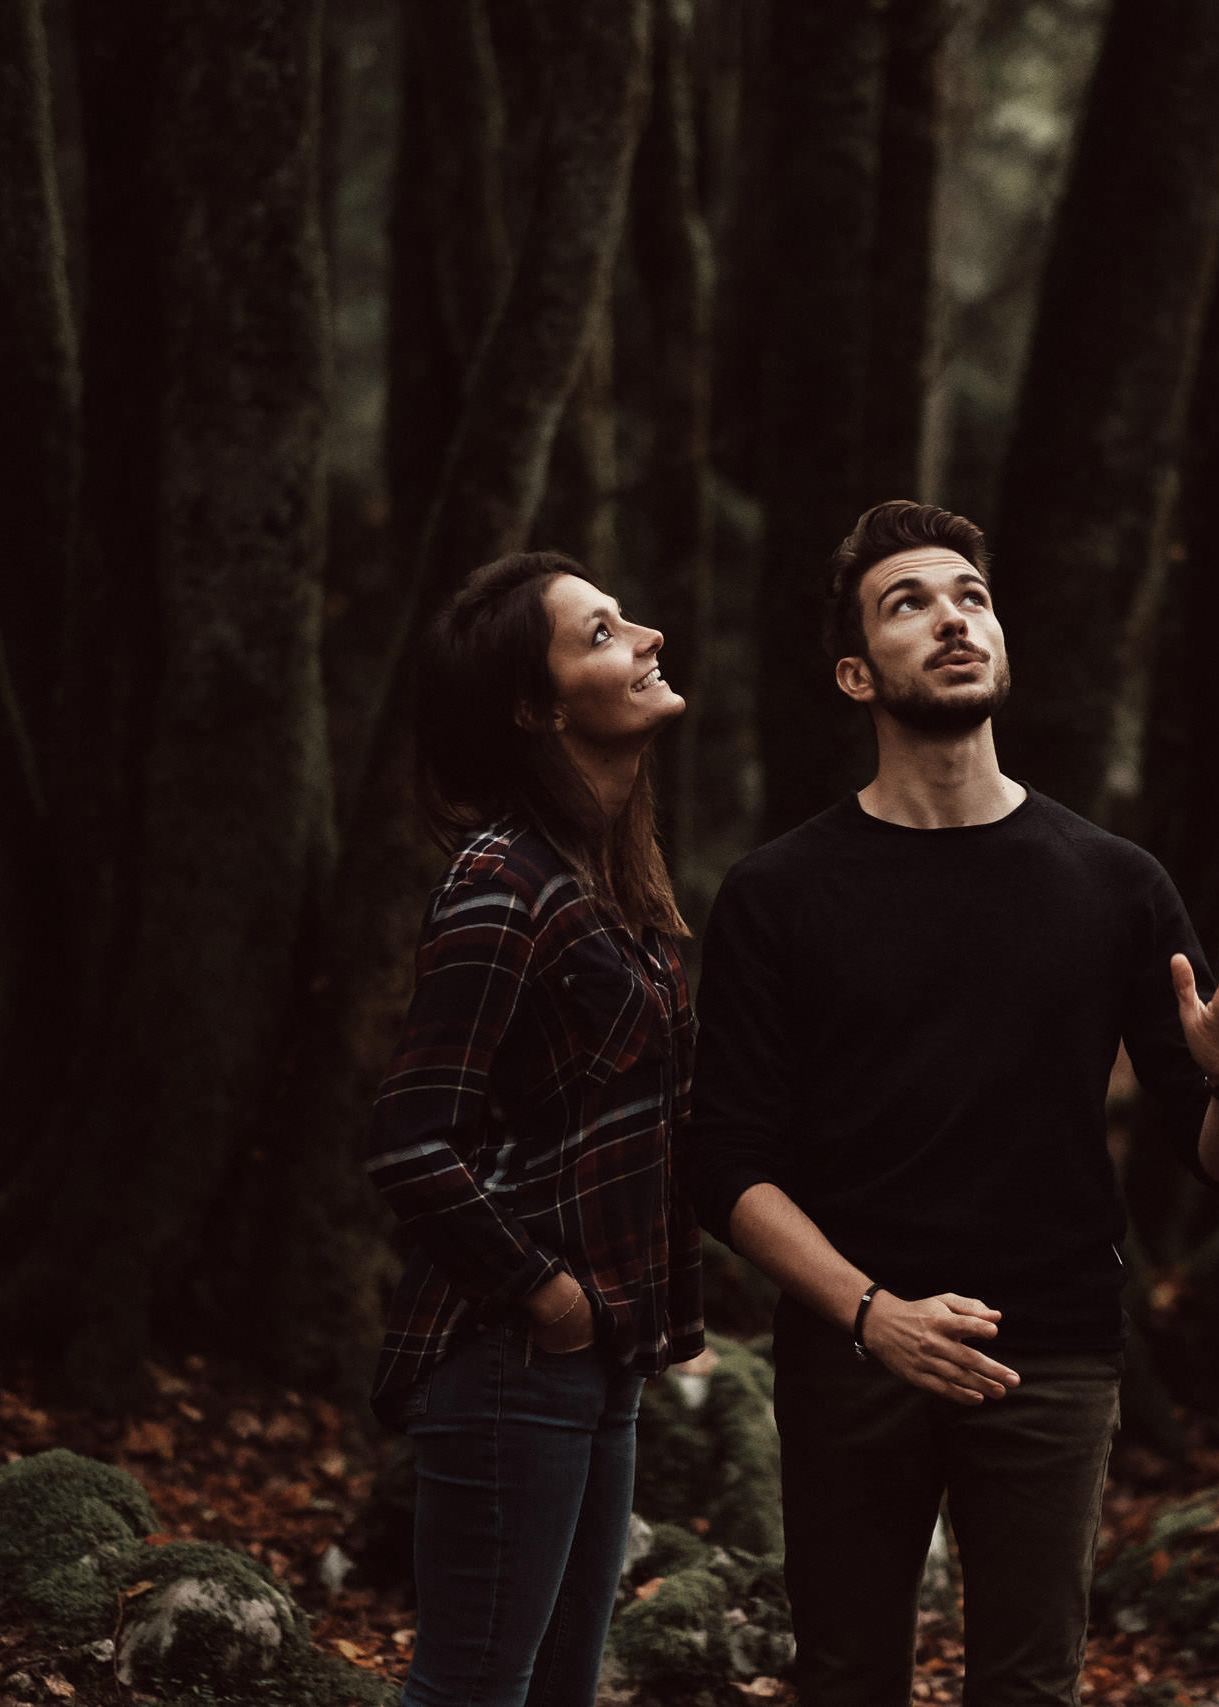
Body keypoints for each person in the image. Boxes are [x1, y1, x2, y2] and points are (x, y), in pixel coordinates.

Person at [680, 500, 1219, 1707]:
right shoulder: (777, 893)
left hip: (1050, 1353)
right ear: (857, 673)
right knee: (847, 1679)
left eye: (970, 596)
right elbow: (725, 1166)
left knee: (1028, 1686)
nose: (952, 619)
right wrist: (872, 1316)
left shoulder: (1115, 884)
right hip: (853, 1352)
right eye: (908, 602)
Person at [363, 551, 704, 1707]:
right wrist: (543, 1295)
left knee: (555, 1692)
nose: (647, 635)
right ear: (535, 705)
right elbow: (411, 1138)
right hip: (513, 1355)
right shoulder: (501, 883)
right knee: (471, 1690)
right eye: (602, 633)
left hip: (598, 1358)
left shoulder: (606, 876)